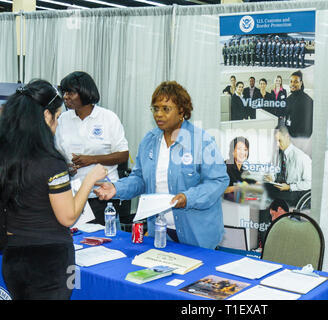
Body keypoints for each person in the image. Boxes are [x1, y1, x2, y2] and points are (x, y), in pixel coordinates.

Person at [0, 79, 107, 300]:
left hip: (13, 258)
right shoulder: (50, 162)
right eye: (57, 117)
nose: (57, 124)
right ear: (46, 116)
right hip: (52, 261)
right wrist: (90, 180)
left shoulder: (6, 157)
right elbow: (67, 217)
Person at [94, 81, 229, 249]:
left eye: (166, 109)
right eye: (155, 108)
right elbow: (140, 179)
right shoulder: (149, 141)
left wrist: (188, 198)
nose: (159, 114)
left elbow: (218, 182)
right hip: (160, 232)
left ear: (181, 111)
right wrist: (116, 188)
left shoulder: (201, 141)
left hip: (197, 236)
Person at [55, 71, 129, 225]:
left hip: (101, 195)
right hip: (72, 195)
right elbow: (56, 154)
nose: (65, 96)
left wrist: (92, 160)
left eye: (71, 92)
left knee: (101, 242)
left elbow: (123, 155)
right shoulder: (62, 119)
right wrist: (66, 167)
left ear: (85, 92)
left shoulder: (108, 118)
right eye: (64, 92)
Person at [264, 124, 312, 208]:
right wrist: (271, 177)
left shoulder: (300, 157)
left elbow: (309, 183)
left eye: (279, 140)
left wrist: (290, 187)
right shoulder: (278, 155)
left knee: (272, 197)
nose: (277, 144)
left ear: (287, 137)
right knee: (264, 187)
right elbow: (274, 171)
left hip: (294, 192)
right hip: (282, 187)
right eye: (276, 141)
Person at [285, 70, 313, 137]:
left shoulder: (307, 100)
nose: (292, 84)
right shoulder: (288, 99)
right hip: (288, 136)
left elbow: (310, 125)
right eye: (291, 81)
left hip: (300, 138)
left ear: (301, 83)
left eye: (296, 82)